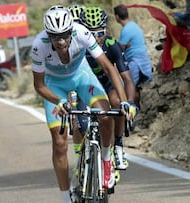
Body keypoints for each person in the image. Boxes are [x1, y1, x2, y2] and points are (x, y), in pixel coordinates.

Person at [31, 5, 130, 202]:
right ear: (47, 34)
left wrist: (125, 101)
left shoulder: (82, 32)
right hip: (54, 85)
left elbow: (108, 67)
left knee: (105, 114)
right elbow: (39, 85)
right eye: (54, 36)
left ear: (71, 31)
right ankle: (65, 198)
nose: (60, 41)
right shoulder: (38, 45)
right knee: (59, 144)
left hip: (81, 76)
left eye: (64, 36)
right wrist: (58, 101)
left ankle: (106, 159)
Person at [79, 6, 137, 171]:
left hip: (107, 84)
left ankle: (118, 145)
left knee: (118, 102)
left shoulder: (111, 44)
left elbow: (127, 78)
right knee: (81, 126)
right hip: (86, 86)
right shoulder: (77, 47)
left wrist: (130, 102)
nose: (96, 38)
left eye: (100, 32)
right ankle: (83, 161)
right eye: (91, 33)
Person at [114, 4, 152, 109]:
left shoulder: (126, 29)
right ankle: (137, 110)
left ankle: (130, 111)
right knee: (135, 89)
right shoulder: (134, 26)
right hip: (143, 61)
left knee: (126, 87)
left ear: (117, 16)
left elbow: (120, 49)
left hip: (136, 62)